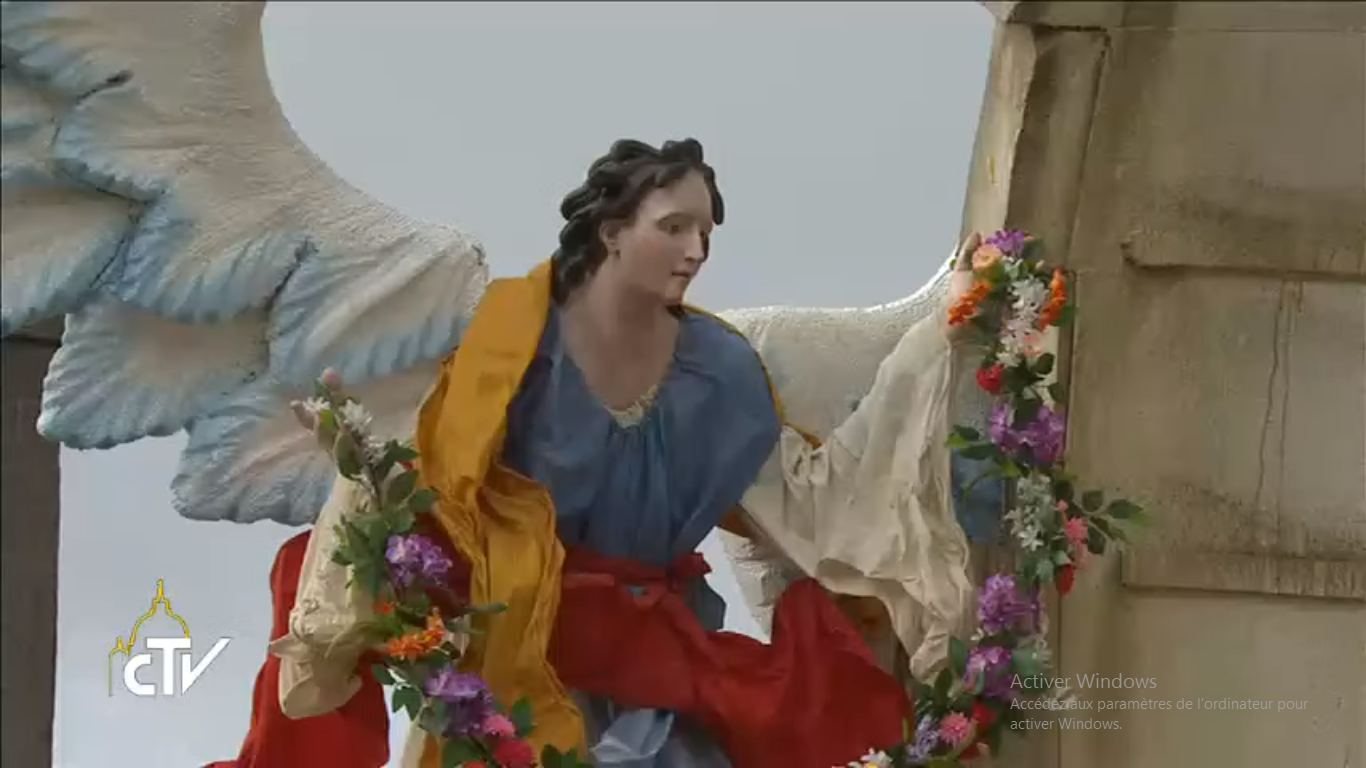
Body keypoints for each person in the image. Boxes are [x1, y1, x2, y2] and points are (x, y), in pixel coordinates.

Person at [215, 138, 980, 768]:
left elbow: (811, 500)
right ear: (612, 232)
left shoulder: (721, 374)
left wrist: (935, 337)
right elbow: (424, 479)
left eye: (705, 234)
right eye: (673, 227)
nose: (694, 251)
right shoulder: (513, 348)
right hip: (517, 639)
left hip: (653, 662)